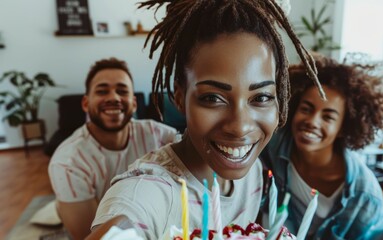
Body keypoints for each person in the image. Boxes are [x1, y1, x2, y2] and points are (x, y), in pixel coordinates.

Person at [86, 0, 324, 239]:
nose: (240, 126)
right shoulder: (149, 192)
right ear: (179, 98)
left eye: (261, 97)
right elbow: (125, 220)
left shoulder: (252, 176)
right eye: (213, 98)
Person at [260, 55, 383, 239]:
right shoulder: (276, 143)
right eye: (306, 109)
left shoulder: (363, 194)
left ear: (343, 128)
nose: (312, 121)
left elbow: (381, 234)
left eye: (328, 117)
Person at [48, 57, 178, 239]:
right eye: (102, 91)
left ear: (133, 103)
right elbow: (89, 235)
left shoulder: (160, 136)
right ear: (85, 103)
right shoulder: (67, 162)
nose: (114, 98)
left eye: (122, 91)